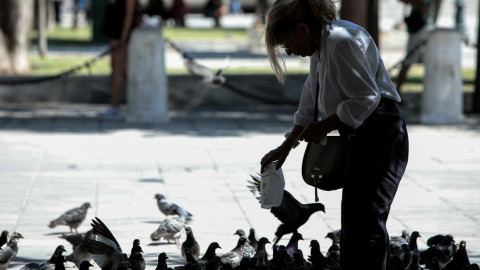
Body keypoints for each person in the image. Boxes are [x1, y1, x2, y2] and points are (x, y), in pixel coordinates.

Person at [259, 0, 409, 269]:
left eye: (287, 44)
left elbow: (366, 98)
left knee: (368, 219)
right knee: (354, 221)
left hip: (381, 134)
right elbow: (310, 98)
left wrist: (325, 125)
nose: (290, 52)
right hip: (363, 133)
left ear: (302, 28)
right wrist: (286, 145)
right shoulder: (321, 45)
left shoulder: (340, 40)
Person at [98, 0, 140, 120]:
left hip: (121, 35)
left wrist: (123, 37)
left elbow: (130, 12)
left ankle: (116, 107)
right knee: (115, 67)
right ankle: (115, 104)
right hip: (115, 32)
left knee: (119, 69)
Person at [396, 0, 432, 97]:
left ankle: (429, 94)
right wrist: (420, 4)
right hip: (418, 29)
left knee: (431, 62)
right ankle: (397, 93)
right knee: (408, 61)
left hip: (429, 27)